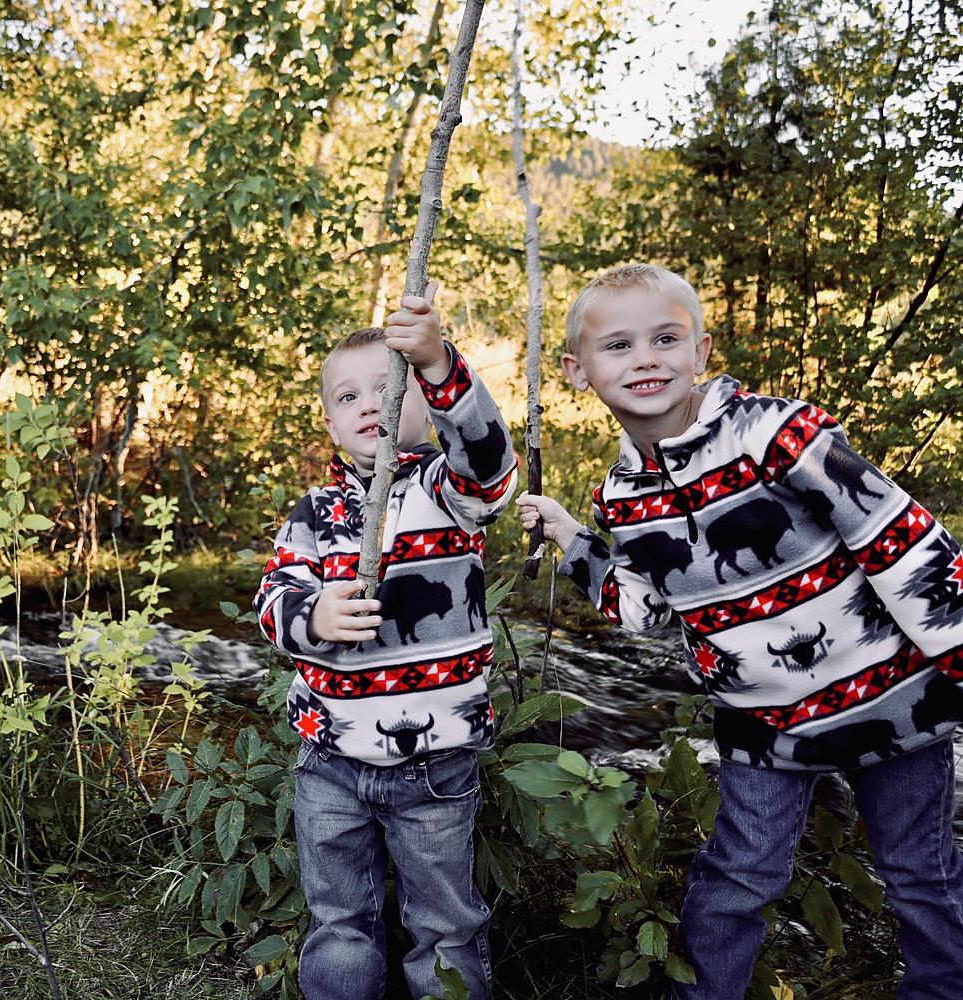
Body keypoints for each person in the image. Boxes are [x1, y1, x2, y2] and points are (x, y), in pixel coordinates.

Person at [517, 263, 963, 999]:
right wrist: (571, 537)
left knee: (920, 873)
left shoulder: (776, 433)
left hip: (889, 696)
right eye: (619, 345)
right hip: (762, 722)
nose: (646, 359)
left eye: (666, 339)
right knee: (737, 878)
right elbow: (645, 612)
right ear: (577, 370)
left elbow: (900, 539)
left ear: (701, 351)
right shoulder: (622, 498)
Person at [255, 281, 517, 999]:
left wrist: (438, 364)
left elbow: (491, 466)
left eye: (389, 386)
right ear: (330, 423)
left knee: (446, 923)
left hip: (436, 762)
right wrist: (313, 618)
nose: (370, 404)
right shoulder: (314, 514)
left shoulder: (446, 492)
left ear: (423, 403)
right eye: (349, 396)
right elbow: (272, 601)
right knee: (339, 920)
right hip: (330, 760)